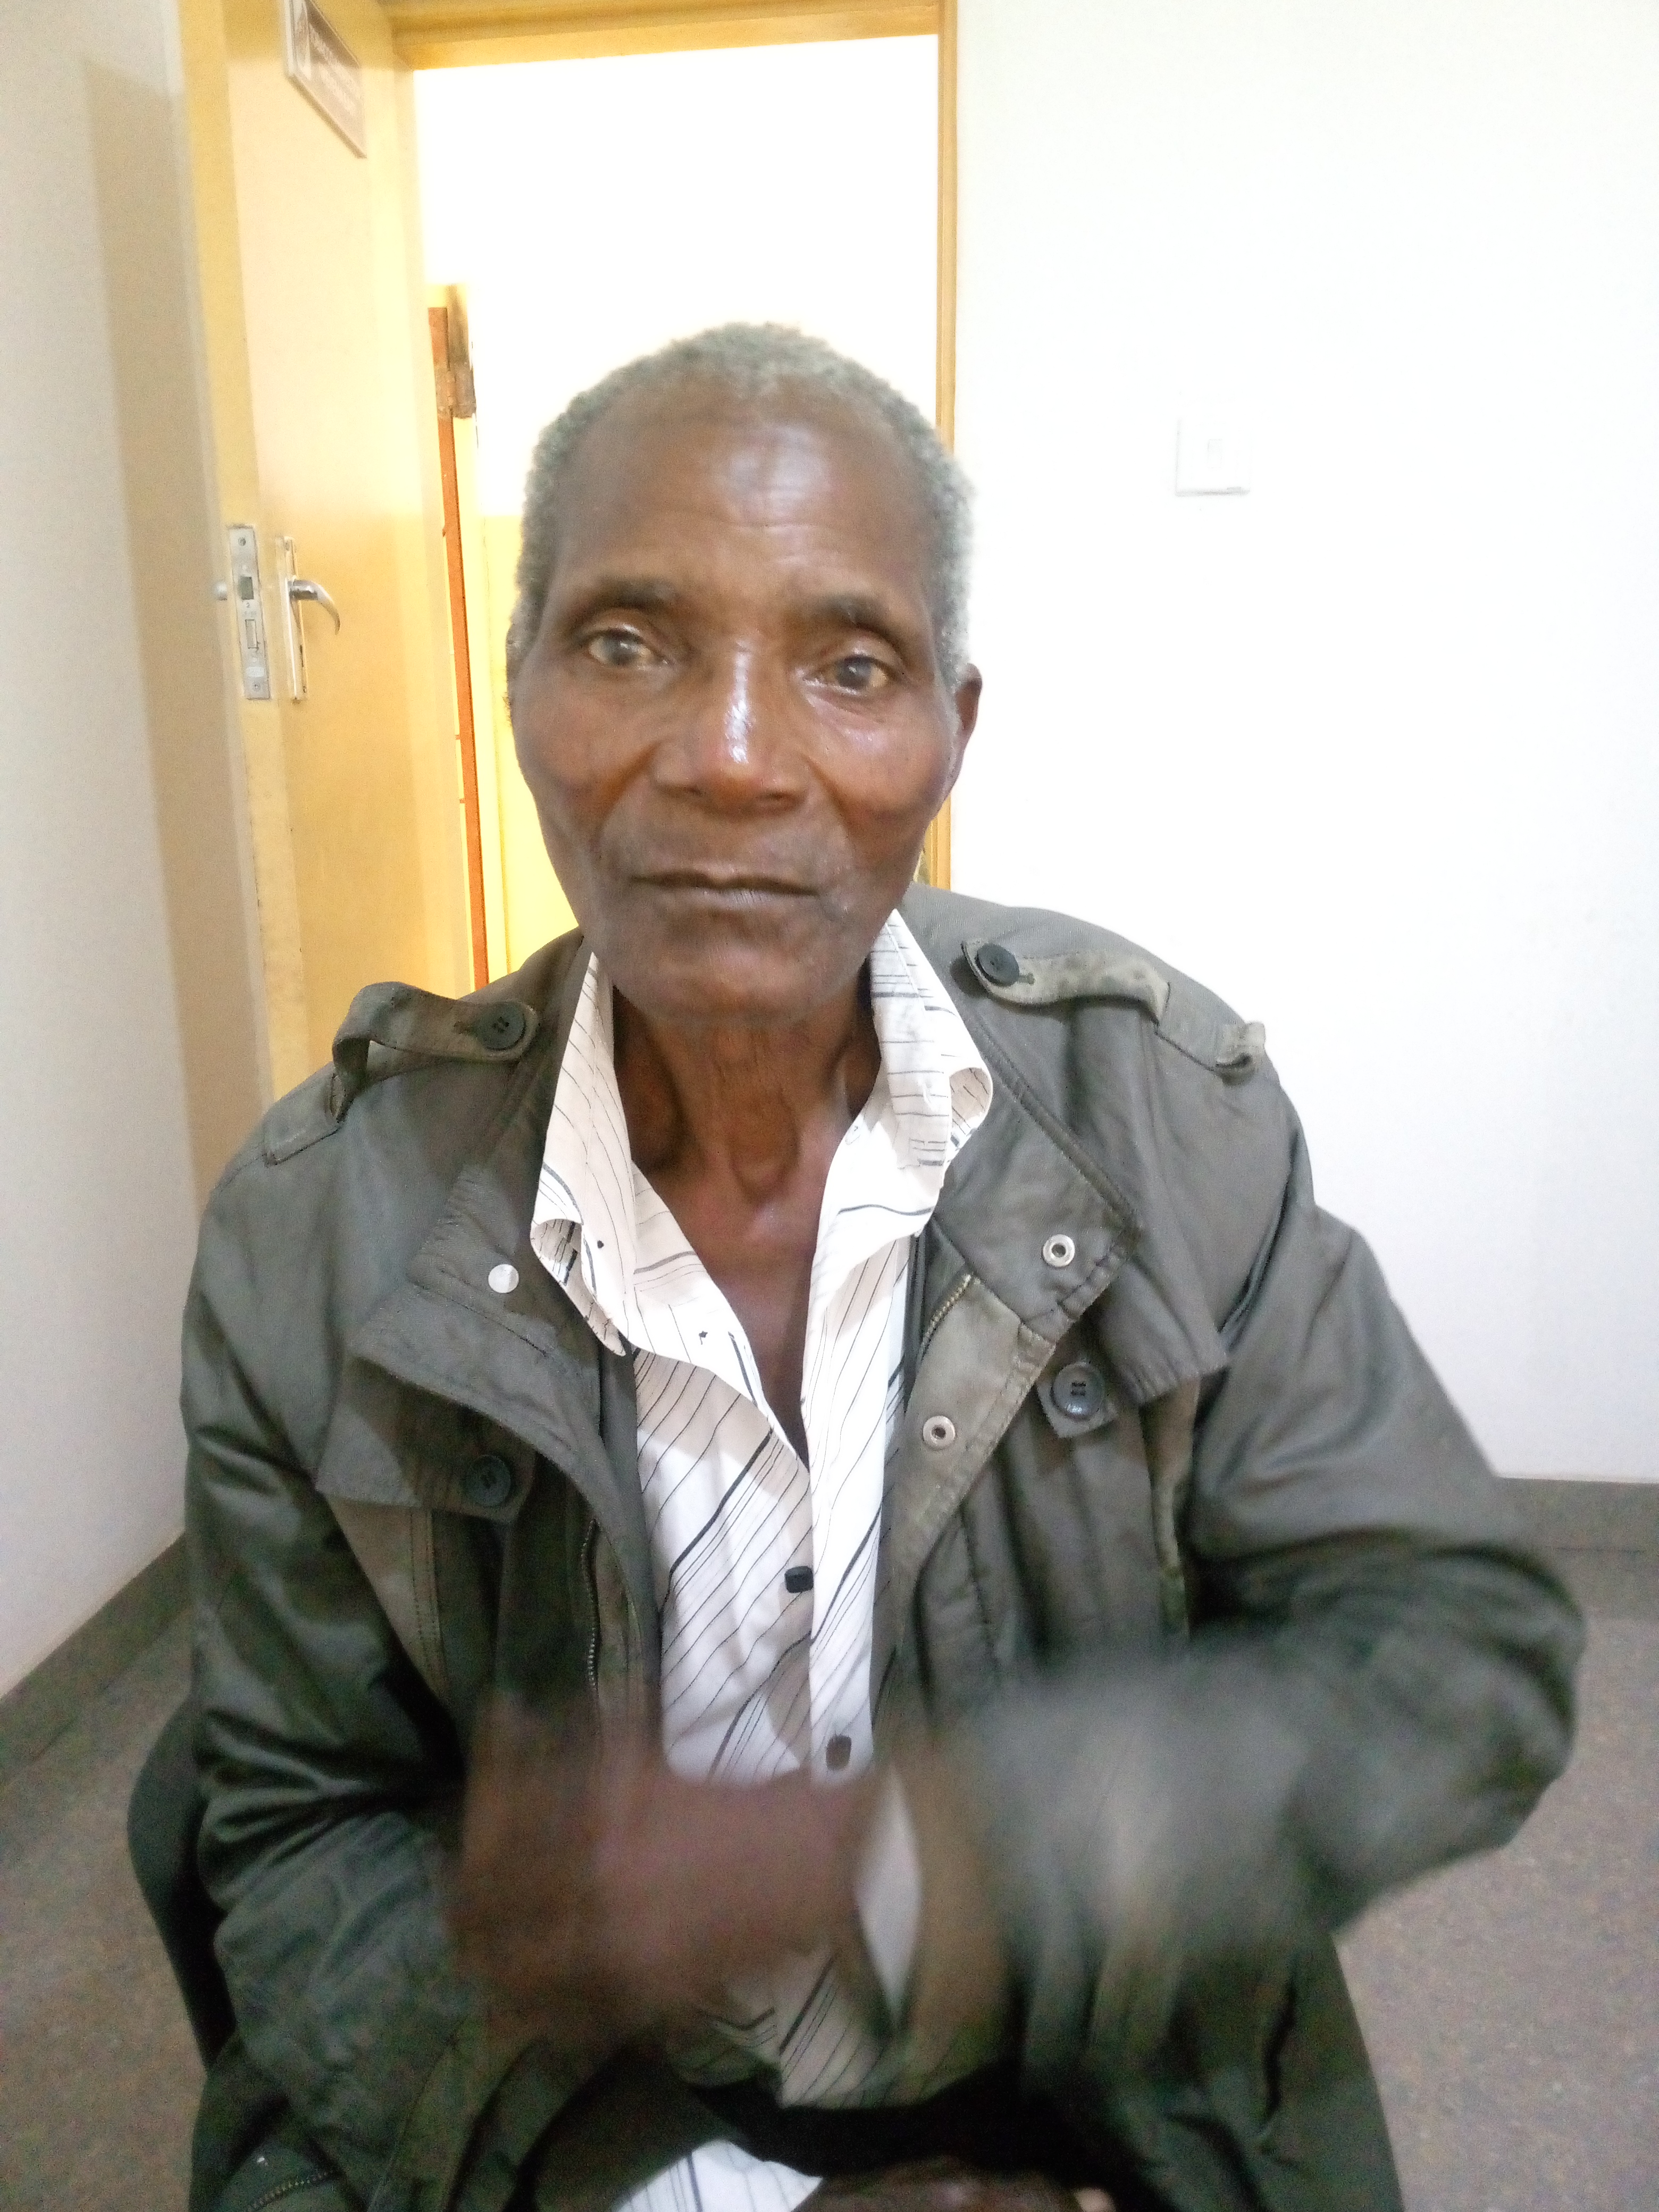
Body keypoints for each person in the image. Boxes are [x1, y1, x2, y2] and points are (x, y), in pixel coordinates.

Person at [182, 325, 1581, 2212]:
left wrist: (908, 1854)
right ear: (517, 689)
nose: (733, 758)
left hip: (1097, 2076)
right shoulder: (318, 1231)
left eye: (846, 667)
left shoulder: (1168, 1124)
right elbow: (291, 1838)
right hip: (563, 2123)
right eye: (628, 643)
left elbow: (1457, 1661)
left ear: (952, 734)